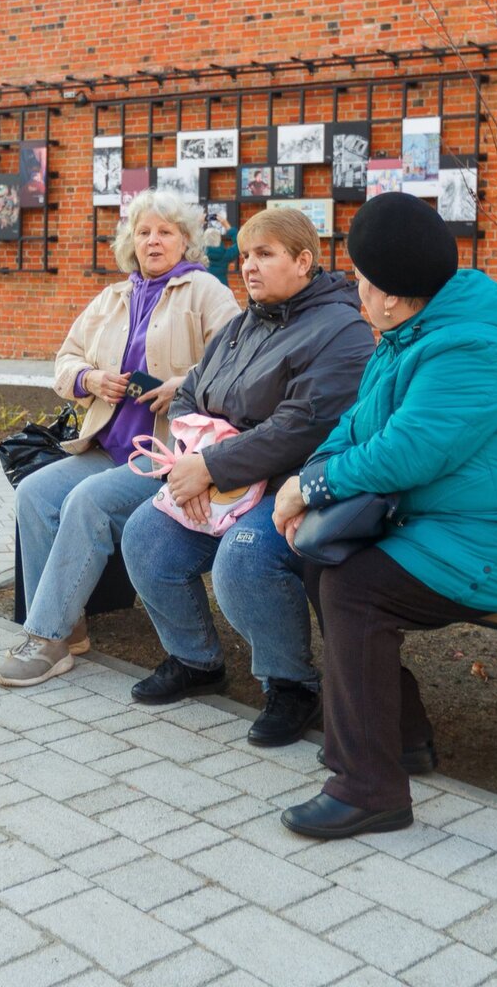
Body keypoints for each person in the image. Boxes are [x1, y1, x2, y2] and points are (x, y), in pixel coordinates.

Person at [272, 192, 497, 839]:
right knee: (319, 564)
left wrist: (312, 486)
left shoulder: (467, 352)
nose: (352, 285)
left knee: (354, 589)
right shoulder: (404, 338)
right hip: (451, 530)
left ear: (391, 295)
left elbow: (405, 455)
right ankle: (401, 740)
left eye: (360, 276)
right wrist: (307, 479)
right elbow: (352, 428)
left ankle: (370, 790)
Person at [120, 208, 375, 746]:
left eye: (265, 255)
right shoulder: (243, 323)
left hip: (292, 486)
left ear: (304, 261)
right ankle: (195, 659)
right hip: (216, 476)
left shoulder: (342, 330)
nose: (249, 268)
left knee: (245, 555)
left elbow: (301, 429)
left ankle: (292, 686)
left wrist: (210, 467)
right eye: (244, 257)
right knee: (145, 534)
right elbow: (190, 394)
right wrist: (198, 463)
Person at [0, 190, 241, 688]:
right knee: (34, 493)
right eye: (144, 232)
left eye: (165, 232)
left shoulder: (206, 292)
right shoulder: (113, 297)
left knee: (88, 503)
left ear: (186, 241)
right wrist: (89, 378)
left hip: (167, 457)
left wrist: (183, 387)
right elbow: (65, 360)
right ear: (131, 241)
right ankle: (71, 624)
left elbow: (237, 365)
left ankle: (45, 636)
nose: (153, 241)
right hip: (107, 447)